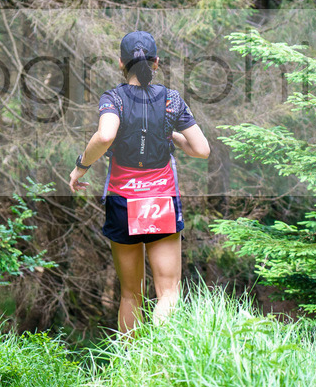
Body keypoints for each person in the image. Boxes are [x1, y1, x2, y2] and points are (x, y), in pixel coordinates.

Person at [68, 31, 210, 334]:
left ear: (121, 63)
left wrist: (82, 166)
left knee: (131, 294)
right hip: (161, 199)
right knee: (169, 292)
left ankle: (129, 367)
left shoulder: (114, 98)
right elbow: (202, 150)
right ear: (156, 63)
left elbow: (106, 135)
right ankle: (159, 356)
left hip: (123, 200)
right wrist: (171, 132)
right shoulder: (171, 100)